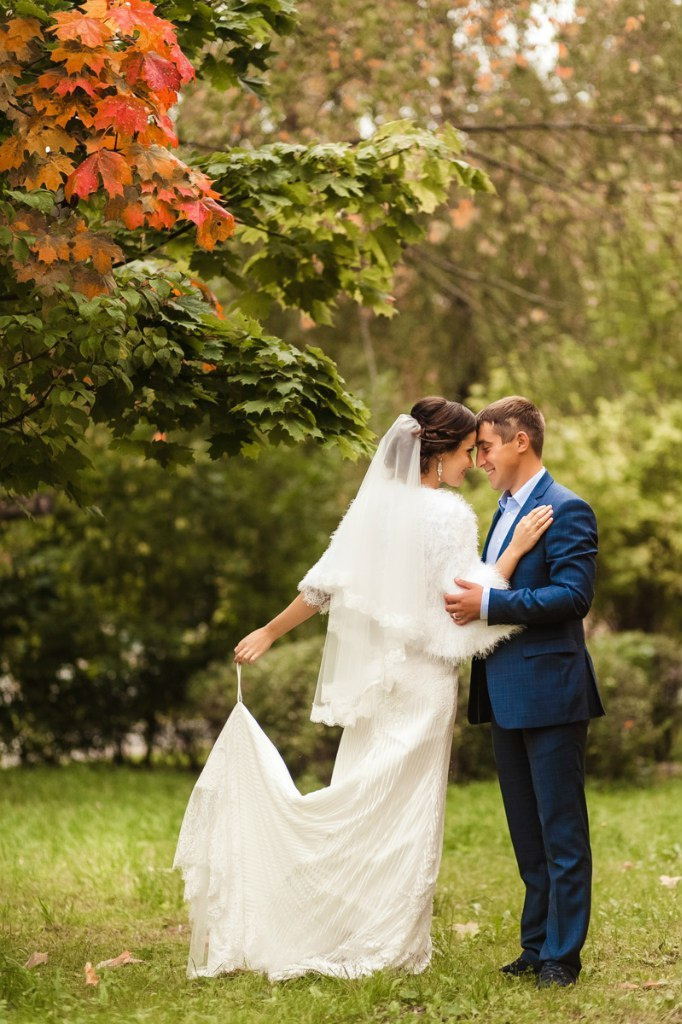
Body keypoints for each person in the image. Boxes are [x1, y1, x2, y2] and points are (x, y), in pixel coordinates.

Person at [173, 397, 553, 982]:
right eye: (466, 451)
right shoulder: (447, 514)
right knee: (404, 806)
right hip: (424, 680)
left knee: (361, 787)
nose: (472, 462)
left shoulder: (374, 508)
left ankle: (339, 921)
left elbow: (324, 584)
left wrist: (269, 631)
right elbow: (467, 600)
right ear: (439, 452)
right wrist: (516, 552)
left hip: (380, 682)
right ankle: (388, 938)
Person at [445, 395, 604, 990]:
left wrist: (488, 603)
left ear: (520, 442)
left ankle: (563, 957)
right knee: (526, 832)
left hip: (552, 690)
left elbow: (572, 597)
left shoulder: (568, 509)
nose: (479, 458)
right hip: (504, 690)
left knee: (561, 831)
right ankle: (535, 946)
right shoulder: (503, 515)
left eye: (485, 446)